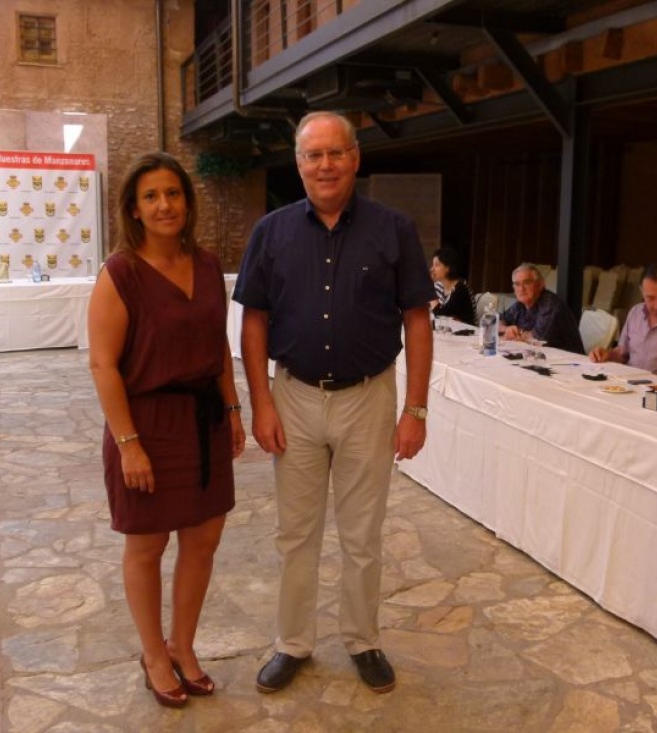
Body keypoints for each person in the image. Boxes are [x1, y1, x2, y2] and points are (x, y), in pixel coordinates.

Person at [233, 111, 434, 695]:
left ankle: (363, 640)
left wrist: (415, 410)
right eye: (313, 155)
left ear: (355, 158)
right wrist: (261, 404)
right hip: (292, 396)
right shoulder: (270, 232)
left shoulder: (394, 230)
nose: (325, 165)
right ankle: (292, 642)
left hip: (369, 399)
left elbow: (417, 323)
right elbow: (253, 324)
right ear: (297, 164)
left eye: (335, 153)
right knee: (296, 533)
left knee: (362, 533)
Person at [87, 152, 246, 708]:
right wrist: (129, 444)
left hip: (203, 420)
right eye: (151, 196)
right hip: (147, 424)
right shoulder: (121, 273)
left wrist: (232, 410)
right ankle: (154, 652)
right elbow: (103, 365)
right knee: (148, 545)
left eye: (173, 194)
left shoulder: (206, 265)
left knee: (203, 539)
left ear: (187, 201)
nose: (164, 205)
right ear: (134, 207)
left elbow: (218, 347)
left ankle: (184, 644)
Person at [500, 262, 586, 354]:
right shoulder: (520, 305)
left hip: (570, 362)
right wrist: (506, 329)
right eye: (517, 284)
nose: (521, 289)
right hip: (540, 358)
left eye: (527, 282)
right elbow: (497, 320)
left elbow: (538, 338)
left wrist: (516, 333)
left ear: (540, 284)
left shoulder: (551, 305)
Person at [429, 246, 476, 325]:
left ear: (448, 268)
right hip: (448, 329)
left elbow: (441, 316)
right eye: (432, 265)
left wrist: (429, 289)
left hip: (467, 332)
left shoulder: (461, 288)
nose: (432, 269)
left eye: (437, 265)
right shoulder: (438, 286)